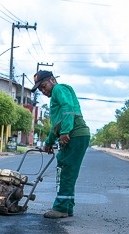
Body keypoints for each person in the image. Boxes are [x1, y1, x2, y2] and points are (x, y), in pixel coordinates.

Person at [31, 70, 90, 219]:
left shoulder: (59, 89)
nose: (43, 91)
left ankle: (61, 208)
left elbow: (68, 109)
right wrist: (49, 142)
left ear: (52, 80)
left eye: (44, 86)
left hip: (75, 135)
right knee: (65, 170)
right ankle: (67, 206)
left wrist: (65, 131)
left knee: (67, 172)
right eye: (40, 89)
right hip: (74, 135)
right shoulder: (56, 94)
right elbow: (56, 125)